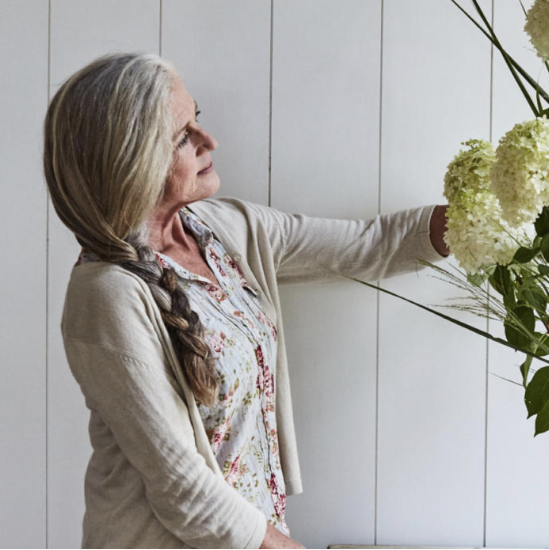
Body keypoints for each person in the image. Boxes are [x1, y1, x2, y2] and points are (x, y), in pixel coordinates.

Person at [43, 52, 449, 549]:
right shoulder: (105, 294)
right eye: (182, 138)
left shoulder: (225, 229)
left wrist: (487, 215)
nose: (209, 142)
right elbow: (180, 485)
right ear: (131, 162)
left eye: (199, 119)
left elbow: (371, 245)